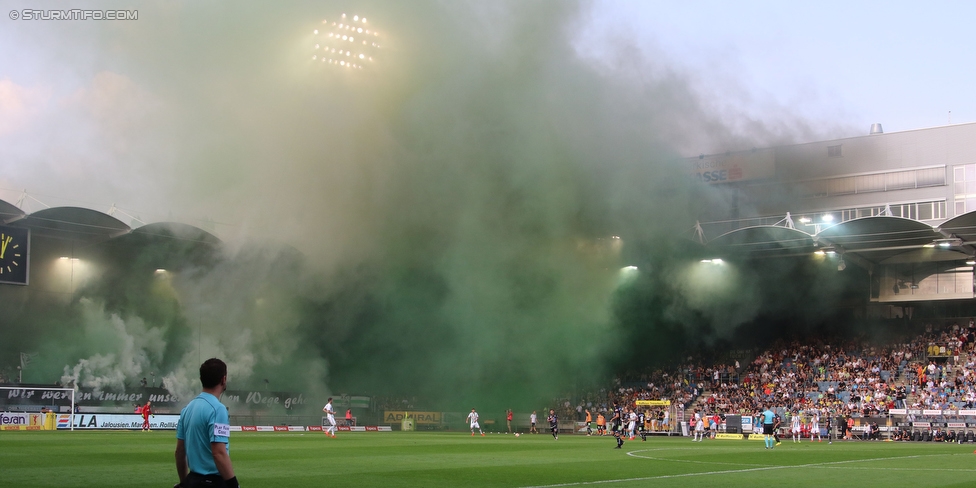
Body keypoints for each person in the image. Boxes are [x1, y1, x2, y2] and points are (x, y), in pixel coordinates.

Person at [174, 358, 239, 488]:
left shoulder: (188, 408)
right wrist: (233, 485)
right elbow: (219, 453)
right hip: (213, 482)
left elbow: (180, 451)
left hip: (192, 480)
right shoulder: (218, 409)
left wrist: (183, 483)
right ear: (223, 379)